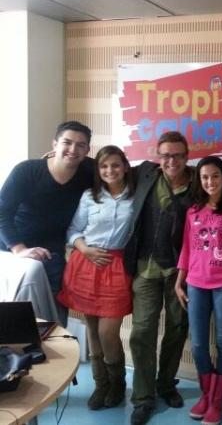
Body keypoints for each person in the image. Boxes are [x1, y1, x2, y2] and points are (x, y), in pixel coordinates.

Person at [124, 131, 196, 425]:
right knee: (142, 332)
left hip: (181, 271)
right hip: (145, 267)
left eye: (178, 155)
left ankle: (165, 384)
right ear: (157, 155)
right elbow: (107, 167)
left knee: (178, 328)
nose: (172, 161)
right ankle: (143, 397)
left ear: (187, 156)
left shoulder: (199, 183)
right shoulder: (144, 173)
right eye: (166, 155)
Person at [57, 145, 135, 410]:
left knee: (107, 332)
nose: (110, 170)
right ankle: (101, 385)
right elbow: (73, 229)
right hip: (86, 263)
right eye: (104, 166)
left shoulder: (136, 196)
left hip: (117, 266)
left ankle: (117, 384)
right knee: (92, 329)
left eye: (115, 165)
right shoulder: (90, 196)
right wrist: (85, 249)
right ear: (98, 170)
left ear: (125, 167)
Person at [175, 156, 222, 425]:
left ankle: (217, 400)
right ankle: (206, 395)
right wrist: (179, 281)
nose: (210, 182)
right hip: (196, 284)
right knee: (197, 345)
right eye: (205, 177)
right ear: (199, 180)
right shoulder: (193, 211)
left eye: (215, 176)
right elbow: (187, 248)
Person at [0, 121, 93, 326]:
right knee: (16, 320)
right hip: (13, 250)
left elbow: (118, 169)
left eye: (80, 145)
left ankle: (56, 344)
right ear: (54, 144)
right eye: (67, 143)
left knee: (54, 317)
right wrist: (19, 249)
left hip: (52, 253)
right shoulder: (27, 171)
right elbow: (2, 212)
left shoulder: (89, 171)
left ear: (87, 150)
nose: (73, 149)